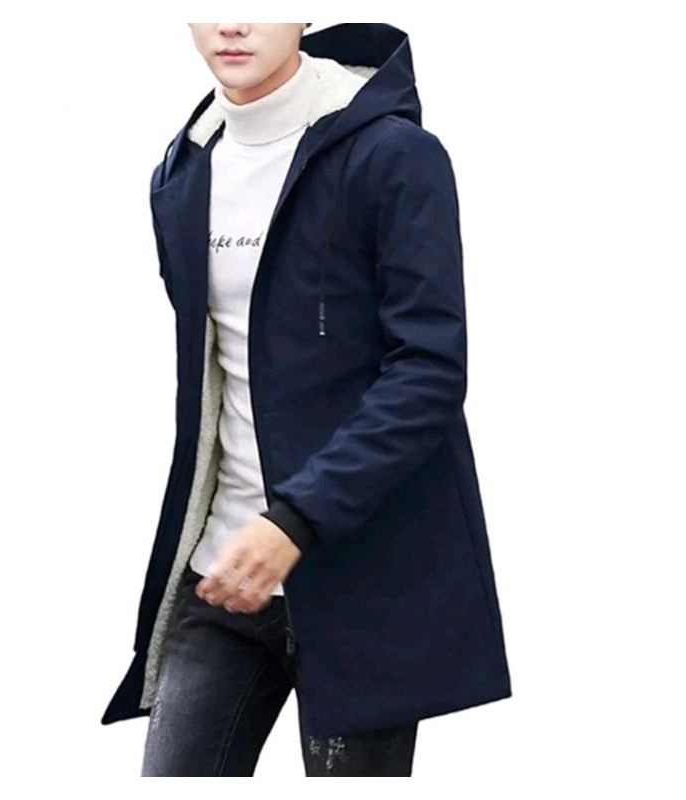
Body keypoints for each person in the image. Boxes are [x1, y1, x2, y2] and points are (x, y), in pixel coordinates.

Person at [101, 21, 513, 777]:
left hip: (358, 582)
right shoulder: (182, 172)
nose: (232, 22)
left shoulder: (393, 155)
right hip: (223, 571)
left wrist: (296, 519)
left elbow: (428, 370)